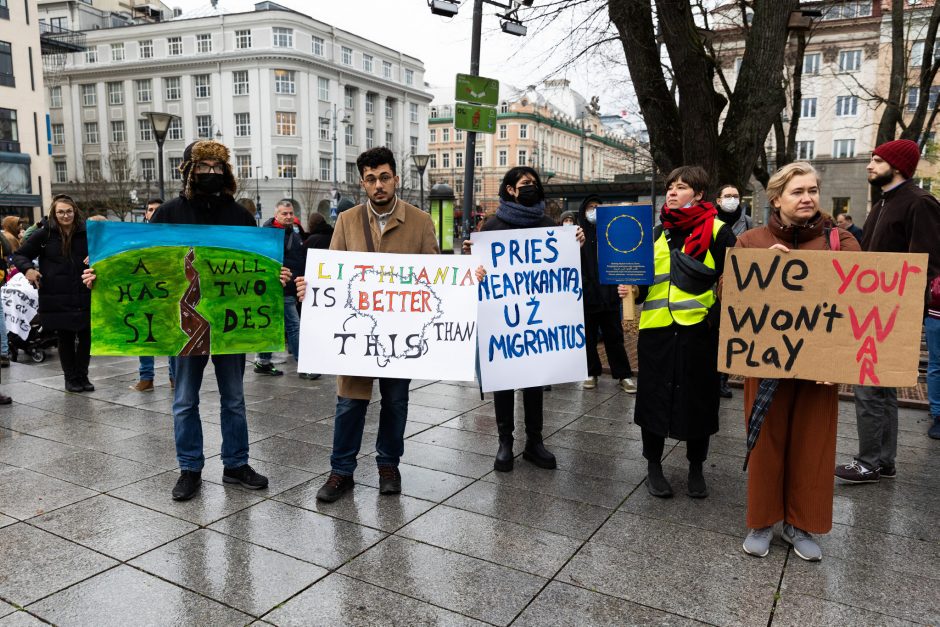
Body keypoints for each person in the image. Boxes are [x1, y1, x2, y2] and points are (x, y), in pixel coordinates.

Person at [85, 140, 294, 501]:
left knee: (234, 399)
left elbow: (257, 268)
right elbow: (140, 266)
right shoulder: (167, 214)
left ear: (225, 172)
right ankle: (190, 468)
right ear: (188, 171)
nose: (210, 173)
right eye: (203, 167)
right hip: (181, 324)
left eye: (217, 167)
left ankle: (236, 464)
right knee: (184, 399)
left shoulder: (240, 217)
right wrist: (100, 277)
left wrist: (276, 278)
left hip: (229, 327)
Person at [736, 162, 860, 562]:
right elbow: (729, 295)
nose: (807, 198)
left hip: (820, 369)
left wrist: (839, 360)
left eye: (812, 190)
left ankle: (800, 524)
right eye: (797, 191)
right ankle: (762, 521)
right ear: (776, 199)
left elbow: (859, 302)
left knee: (813, 445)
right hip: (766, 363)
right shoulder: (752, 241)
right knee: (766, 443)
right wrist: (760, 271)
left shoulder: (841, 242)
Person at [315, 146, 440, 503]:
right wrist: (313, 286)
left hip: (400, 334)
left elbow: (435, 277)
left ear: (396, 178)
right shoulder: (348, 220)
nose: (378, 185)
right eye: (371, 179)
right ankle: (341, 471)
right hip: (357, 331)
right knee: (350, 402)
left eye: (384, 177)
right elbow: (333, 273)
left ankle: (388, 464)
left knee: (396, 401)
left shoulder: (420, 221)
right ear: (363, 183)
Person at [619, 166, 736, 499]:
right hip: (656, 334)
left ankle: (696, 468)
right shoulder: (655, 233)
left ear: (698, 194)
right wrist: (631, 292)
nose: (672, 192)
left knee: (699, 401)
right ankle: (653, 465)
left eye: (681, 187)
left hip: (699, 334)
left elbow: (740, 281)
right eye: (670, 187)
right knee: (653, 400)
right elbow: (644, 285)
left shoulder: (719, 232)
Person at [467, 167, 585, 473]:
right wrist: (473, 261)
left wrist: (576, 244)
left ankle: (535, 441)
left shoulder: (550, 225)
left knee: (534, 381)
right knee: (503, 382)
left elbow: (564, 272)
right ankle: (505, 442)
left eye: (534, 184)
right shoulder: (492, 227)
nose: (531, 188)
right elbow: (477, 274)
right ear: (510, 190)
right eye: (525, 184)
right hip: (504, 322)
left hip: (537, 323)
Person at [835, 139, 940, 482]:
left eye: (877, 160)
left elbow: (926, 263)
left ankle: (868, 461)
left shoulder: (920, 202)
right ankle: (884, 460)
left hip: (893, 313)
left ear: (896, 166)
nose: (870, 165)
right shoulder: (884, 202)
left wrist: (905, 309)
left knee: (868, 387)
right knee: (884, 390)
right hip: (876, 308)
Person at [14, 195, 93, 393]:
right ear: (54, 213)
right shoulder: (44, 234)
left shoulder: (87, 232)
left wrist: (97, 254)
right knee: (65, 337)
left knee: (86, 336)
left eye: (69, 211)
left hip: (85, 291)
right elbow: (20, 255)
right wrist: (28, 270)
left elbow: (106, 250)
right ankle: (71, 378)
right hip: (56, 294)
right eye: (61, 212)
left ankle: (83, 375)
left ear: (75, 212)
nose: (65, 215)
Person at [577, 195, 635, 394]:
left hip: (609, 297)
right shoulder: (576, 235)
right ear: (583, 211)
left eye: (597, 207)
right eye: (590, 207)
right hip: (587, 298)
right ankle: (591, 372)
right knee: (588, 339)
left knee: (614, 339)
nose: (593, 211)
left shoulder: (611, 233)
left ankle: (623, 375)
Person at [129, 199, 178, 391]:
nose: (154, 213)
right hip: (144, 294)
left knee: (171, 334)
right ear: (146, 214)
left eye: (158, 210)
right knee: (145, 334)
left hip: (169, 294)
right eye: (150, 210)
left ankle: (174, 377)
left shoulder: (174, 237)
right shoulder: (139, 237)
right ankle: (146, 377)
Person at [253, 199, 304, 378]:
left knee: (272, 326)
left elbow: (298, 261)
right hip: (275, 289)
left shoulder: (294, 235)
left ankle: (263, 362)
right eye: (284, 213)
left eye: (291, 213)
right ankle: (303, 365)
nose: (289, 216)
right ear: (276, 215)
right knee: (294, 327)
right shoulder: (267, 235)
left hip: (290, 289)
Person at [715, 184, 752, 399]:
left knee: (730, 333)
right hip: (714, 284)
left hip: (738, 283)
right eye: (727, 196)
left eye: (736, 196)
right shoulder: (711, 221)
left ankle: (722, 380)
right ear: (718, 200)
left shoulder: (746, 222)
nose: (732, 199)